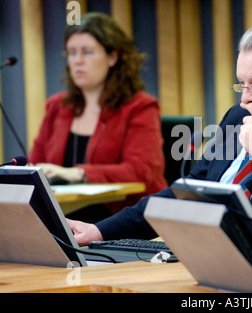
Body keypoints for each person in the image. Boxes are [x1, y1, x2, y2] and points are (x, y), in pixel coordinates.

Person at [68, 19, 252, 243]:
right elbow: (187, 193)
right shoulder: (237, 117)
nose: (245, 98)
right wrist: (99, 231)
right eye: (241, 84)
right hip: (206, 251)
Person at [29, 13, 167, 220]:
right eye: (72, 53)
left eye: (87, 52)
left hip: (124, 219)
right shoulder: (57, 107)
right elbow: (36, 166)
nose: (78, 61)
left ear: (112, 57)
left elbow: (141, 171)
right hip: (64, 217)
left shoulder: (140, 107)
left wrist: (77, 173)